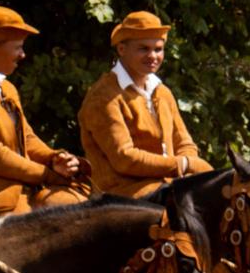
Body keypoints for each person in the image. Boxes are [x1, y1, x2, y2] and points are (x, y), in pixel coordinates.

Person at [78, 11, 211, 198]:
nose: (153, 56)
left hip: (167, 187)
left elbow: (184, 143)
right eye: (143, 49)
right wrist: (182, 165)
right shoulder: (103, 97)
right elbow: (124, 159)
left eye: (158, 49)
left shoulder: (162, 92)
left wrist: (188, 167)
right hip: (120, 195)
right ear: (122, 49)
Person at [0, 5, 89, 214]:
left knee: (82, 208)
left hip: (23, 187)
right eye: (18, 47)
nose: (23, 55)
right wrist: (46, 175)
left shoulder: (7, 89)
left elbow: (27, 138)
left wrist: (54, 158)